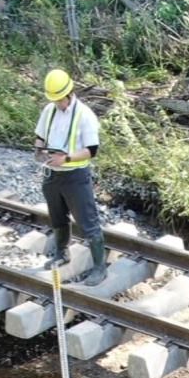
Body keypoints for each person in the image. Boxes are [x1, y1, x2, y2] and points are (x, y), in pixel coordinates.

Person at [35, 68, 108, 286]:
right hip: (52, 174)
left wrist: (66, 159)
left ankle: (100, 268)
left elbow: (91, 150)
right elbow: (40, 136)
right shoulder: (49, 110)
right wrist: (39, 151)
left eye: (60, 99)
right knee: (57, 216)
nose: (57, 103)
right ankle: (62, 253)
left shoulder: (85, 115)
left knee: (88, 221)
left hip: (75, 176)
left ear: (69, 94)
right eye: (54, 99)